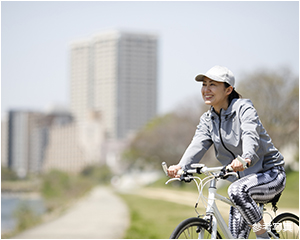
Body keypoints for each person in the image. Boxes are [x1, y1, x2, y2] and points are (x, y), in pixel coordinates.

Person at [167, 66, 286, 239]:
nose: (206, 89)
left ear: (228, 89)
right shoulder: (208, 119)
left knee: (236, 190)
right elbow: (197, 144)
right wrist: (181, 166)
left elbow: (249, 134)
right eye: (204, 85)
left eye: (212, 85)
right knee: (236, 236)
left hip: (270, 173)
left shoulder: (244, 110)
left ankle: (263, 236)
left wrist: (246, 157)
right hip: (243, 180)